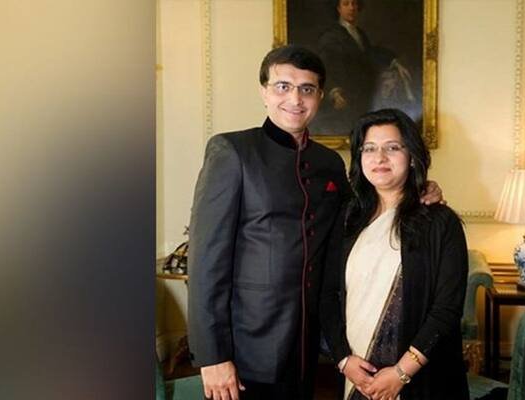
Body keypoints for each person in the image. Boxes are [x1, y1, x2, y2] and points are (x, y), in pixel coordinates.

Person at [186, 46, 443, 400]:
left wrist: (422, 188)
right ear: (264, 92)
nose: (295, 99)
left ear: (320, 96)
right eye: (283, 86)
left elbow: (366, 211)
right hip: (246, 346)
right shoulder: (232, 151)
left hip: (307, 346)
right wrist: (213, 356)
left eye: (307, 89)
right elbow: (205, 261)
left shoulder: (329, 163)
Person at [320, 108, 469, 399]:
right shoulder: (346, 218)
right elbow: (327, 294)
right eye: (369, 149)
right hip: (357, 374)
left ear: (411, 156)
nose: (380, 158)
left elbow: (447, 308)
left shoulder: (440, 222)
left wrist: (401, 373)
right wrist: (344, 360)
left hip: (423, 380)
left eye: (392, 147)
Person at [314, 0, 414, 135]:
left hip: (363, 94)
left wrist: (393, 60)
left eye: (354, 4)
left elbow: (369, 53)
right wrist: (334, 92)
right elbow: (326, 66)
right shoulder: (331, 36)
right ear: (338, 8)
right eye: (346, 4)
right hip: (345, 97)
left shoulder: (359, 33)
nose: (351, 8)